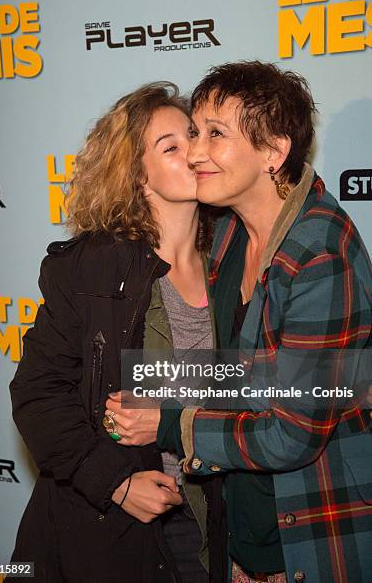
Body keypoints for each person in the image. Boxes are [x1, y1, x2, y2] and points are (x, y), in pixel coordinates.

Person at [105, 62, 372, 583]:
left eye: (216, 135)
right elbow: (241, 371)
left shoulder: (320, 255)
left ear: (274, 152)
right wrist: (141, 385)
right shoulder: (228, 230)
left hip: (305, 538)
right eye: (194, 133)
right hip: (239, 533)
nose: (196, 152)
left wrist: (165, 422)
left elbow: (291, 435)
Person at [8, 82, 216, 583]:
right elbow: (37, 395)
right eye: (171, 145)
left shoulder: (232, 259)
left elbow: (255, 380)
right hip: (116, 525)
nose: (194, 150)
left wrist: (167, 413)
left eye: (193, 134)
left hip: (212, 515)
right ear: (135, 174)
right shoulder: (92, 268)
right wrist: (117, 483)